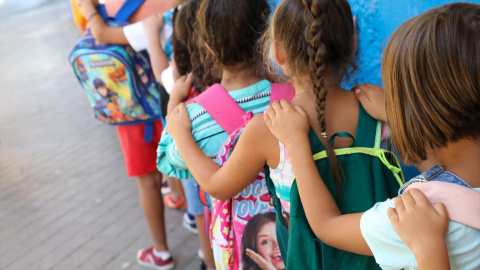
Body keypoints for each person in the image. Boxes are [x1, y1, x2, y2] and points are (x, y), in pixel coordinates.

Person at [165, 0, 401, 268]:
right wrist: (396, 115)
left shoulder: (268, 127)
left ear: (277, 53)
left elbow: (218, 187)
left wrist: (182, 136)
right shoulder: (376, 110)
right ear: (353, 44)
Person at [263, 3, 480, 269]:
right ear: (351, 43)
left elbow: (327, 225)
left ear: (278, 52)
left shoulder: (418, 215)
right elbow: (439, 172)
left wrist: (297, 144)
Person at [157, 0, 278, 268]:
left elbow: (169, 160)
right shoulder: (291, 99)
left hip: (239, 247)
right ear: (267, 36)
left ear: (208, 46)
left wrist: (173, 109)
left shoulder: (193, 119)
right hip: (296, 244)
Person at [75, 0, 178, 268]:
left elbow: (100, 34)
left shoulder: (108, 5)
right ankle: (189, 209)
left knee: (148, 182)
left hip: (132, 110)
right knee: (183, 164)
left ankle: (161, 251)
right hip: (174, 101)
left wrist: (87, 9)